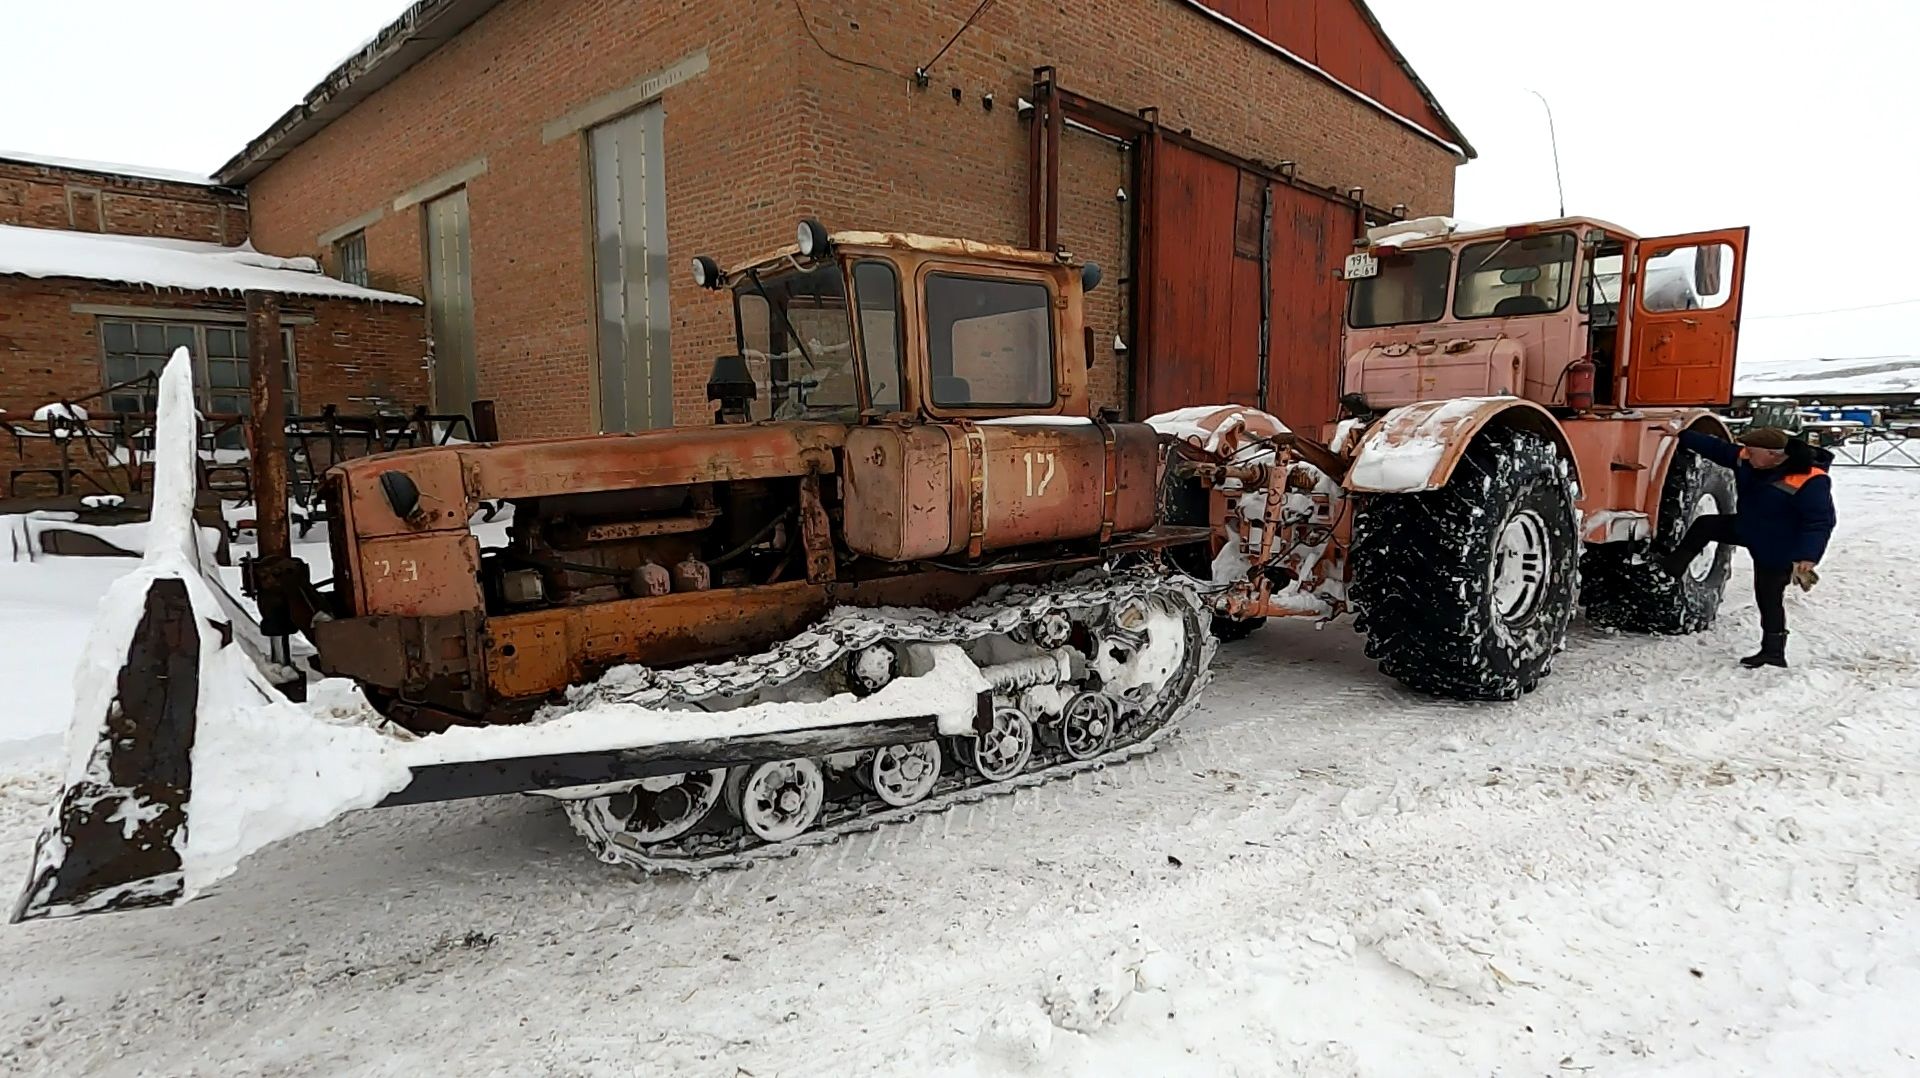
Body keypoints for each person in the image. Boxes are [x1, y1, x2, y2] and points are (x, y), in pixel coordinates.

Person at [1658, 427, 1835, 668]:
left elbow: (1819, 522)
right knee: (1706, 524)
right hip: (1748, 528)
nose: (1746, 455)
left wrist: (1807, 556)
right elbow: (1717, 449)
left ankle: (1773, 652)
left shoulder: (1811, 479)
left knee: (1768, 596)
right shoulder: (1749, 459)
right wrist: (1680, 434)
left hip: (1780, 545)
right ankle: (1673, 566)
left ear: (1774, 455)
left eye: (1752, 452)